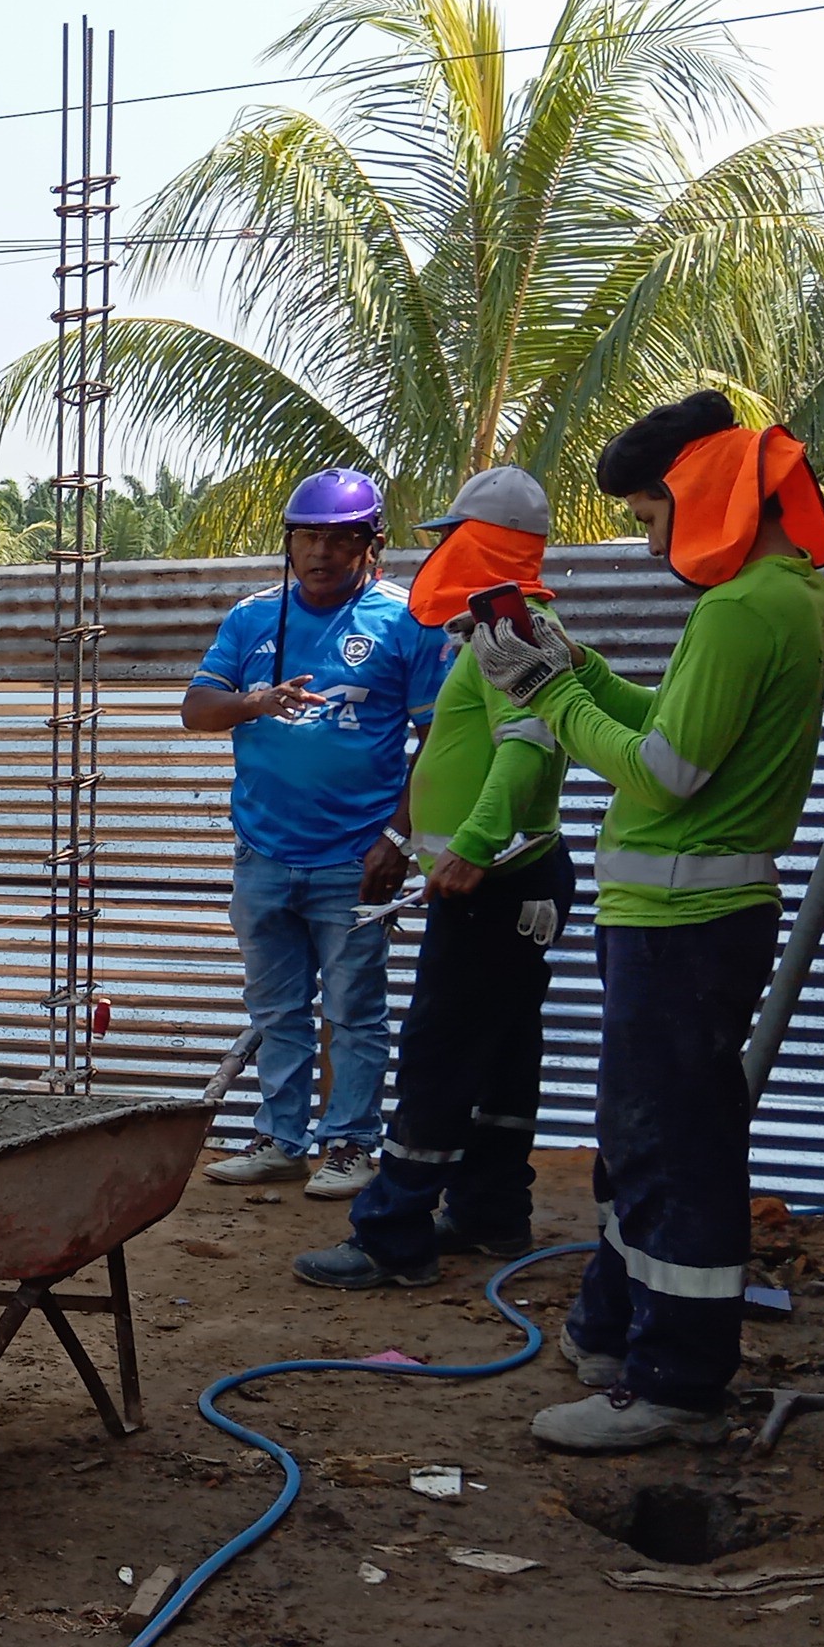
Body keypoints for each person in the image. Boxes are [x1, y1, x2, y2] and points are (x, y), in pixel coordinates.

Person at [473, 395, 824, 1452]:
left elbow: (665, 773)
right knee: (645, 1137)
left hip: (686, 922)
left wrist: (546, 694)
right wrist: (577, 669)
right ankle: (618, 1330)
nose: (648, 540)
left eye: (647, 515)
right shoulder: (784, 594)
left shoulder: (741, 610)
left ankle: (676, 1380)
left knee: (673, 1147)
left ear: (702, 494)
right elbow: (673, 727)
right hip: (684, 921)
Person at [296, 466, 576, 1290]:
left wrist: (473, 845)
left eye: (452, 535)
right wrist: (416, 834)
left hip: (492, 881)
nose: (442, 550)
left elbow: (530, 745)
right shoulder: (509, 625)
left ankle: (393, 1238)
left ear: (482, 541)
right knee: (502, 1051)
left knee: (439, 1053)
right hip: (518, 876)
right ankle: (492, 1211)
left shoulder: (512, 631)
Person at [183, 469, 450, 1198]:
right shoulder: (252, 620)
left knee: (354, 1009)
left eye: (341, 538)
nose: (322, 552)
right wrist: (257, 702)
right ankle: (279, 1138)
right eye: (308, 537)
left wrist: (397, 842)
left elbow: (437, 744)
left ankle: (352, 1144)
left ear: (373, 544)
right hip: (264, 852)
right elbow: (196, 709)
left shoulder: (406, 622)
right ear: (288, 544)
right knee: (276, 1008)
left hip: (355, 859)